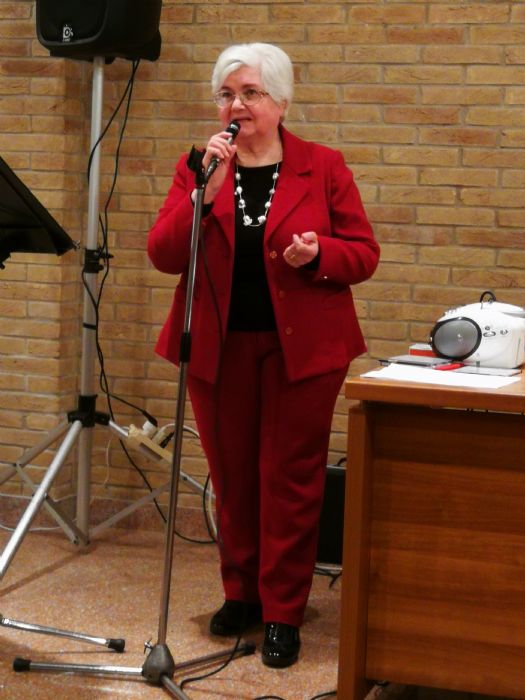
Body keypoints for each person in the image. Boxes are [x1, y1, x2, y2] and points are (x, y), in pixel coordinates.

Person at [147, 42, 380, 668]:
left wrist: (320, 253)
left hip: (301, 351)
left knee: (290, 480)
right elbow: (163, 254)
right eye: (226, 94)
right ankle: (241, 594)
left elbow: (363, 253)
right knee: (232, 477)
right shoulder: (199, 166)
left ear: (280, 101)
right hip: (218, 349)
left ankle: (282, 611)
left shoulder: (322, 166)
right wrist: (202, 194)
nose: (236, 105)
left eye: (250, 93)